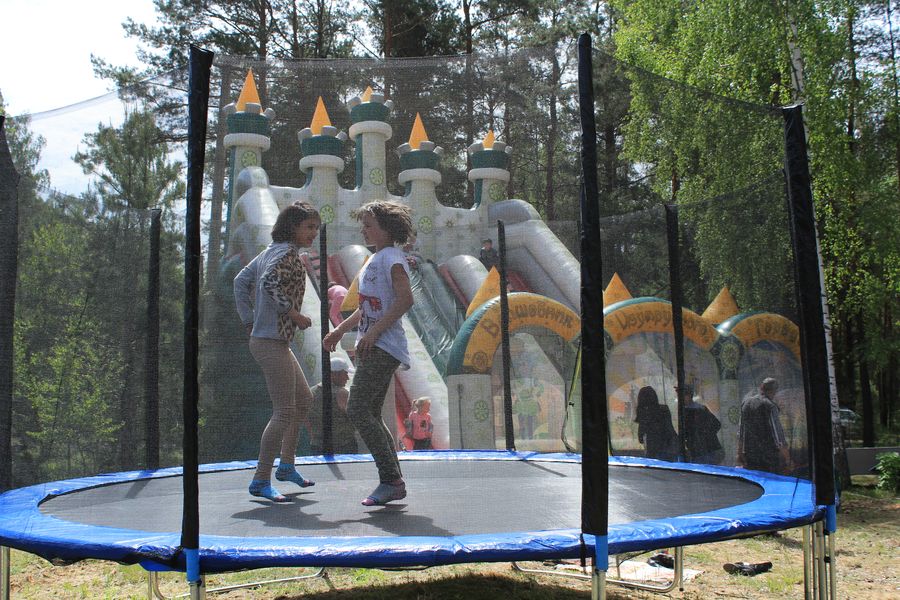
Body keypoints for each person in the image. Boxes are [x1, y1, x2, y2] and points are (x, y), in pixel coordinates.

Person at [323, 200, 415, 506]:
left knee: (358, 409)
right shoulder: (374, 260)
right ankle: (393, 479)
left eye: (369, 225)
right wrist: (340, 330)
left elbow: (405, 300)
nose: (363, 230)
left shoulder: (393, 259)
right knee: (371, 413)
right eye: (363, 225)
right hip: (372, 344)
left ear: (386, 229)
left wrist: (374, 333)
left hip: (383, 346)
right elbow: (366, 308)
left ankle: (390, 479)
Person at [234, 201, 320, 502]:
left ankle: (286, 466)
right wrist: (293, 313)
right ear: (293, 227)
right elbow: (269, 282)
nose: (313, 233)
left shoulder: (271, 251)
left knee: (304, 400)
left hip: (272, 340)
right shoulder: (286, 254)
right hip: (270, 341)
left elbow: (241, 282)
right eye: (309, 227)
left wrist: (248, 319)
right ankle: (261, 479)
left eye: (316, 228)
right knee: (284, 411)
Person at [308, 356, 360, 455]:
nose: (347, 378)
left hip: (317, 446)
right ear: (334, 374)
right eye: (345, 374)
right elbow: (355, 417)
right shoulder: (341, 393)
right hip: (343, 446)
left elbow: (306, 419)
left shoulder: (311, 392)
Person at [738, 377, 791, 473]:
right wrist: (787, 458)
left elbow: (741, 431)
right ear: (774, 391)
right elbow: (778, 435)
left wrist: (739, 452)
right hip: (768, 457)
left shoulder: (746, 403)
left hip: (750, 454)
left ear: (761, 388)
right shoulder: (770, 406)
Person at [679, 384, 724, 464]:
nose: (681, 398)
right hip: (707, 452)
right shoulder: (699, 408)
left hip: (706, 453)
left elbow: (716, 424)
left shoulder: (695, 410)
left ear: (690, 395)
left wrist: (704, 438)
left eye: (684, 394)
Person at [634, 386, 678, 461]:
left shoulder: (644, 413)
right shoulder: (664, 409)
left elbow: (640, 438)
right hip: (669, 446)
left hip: (653, 450)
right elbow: (669, 429)